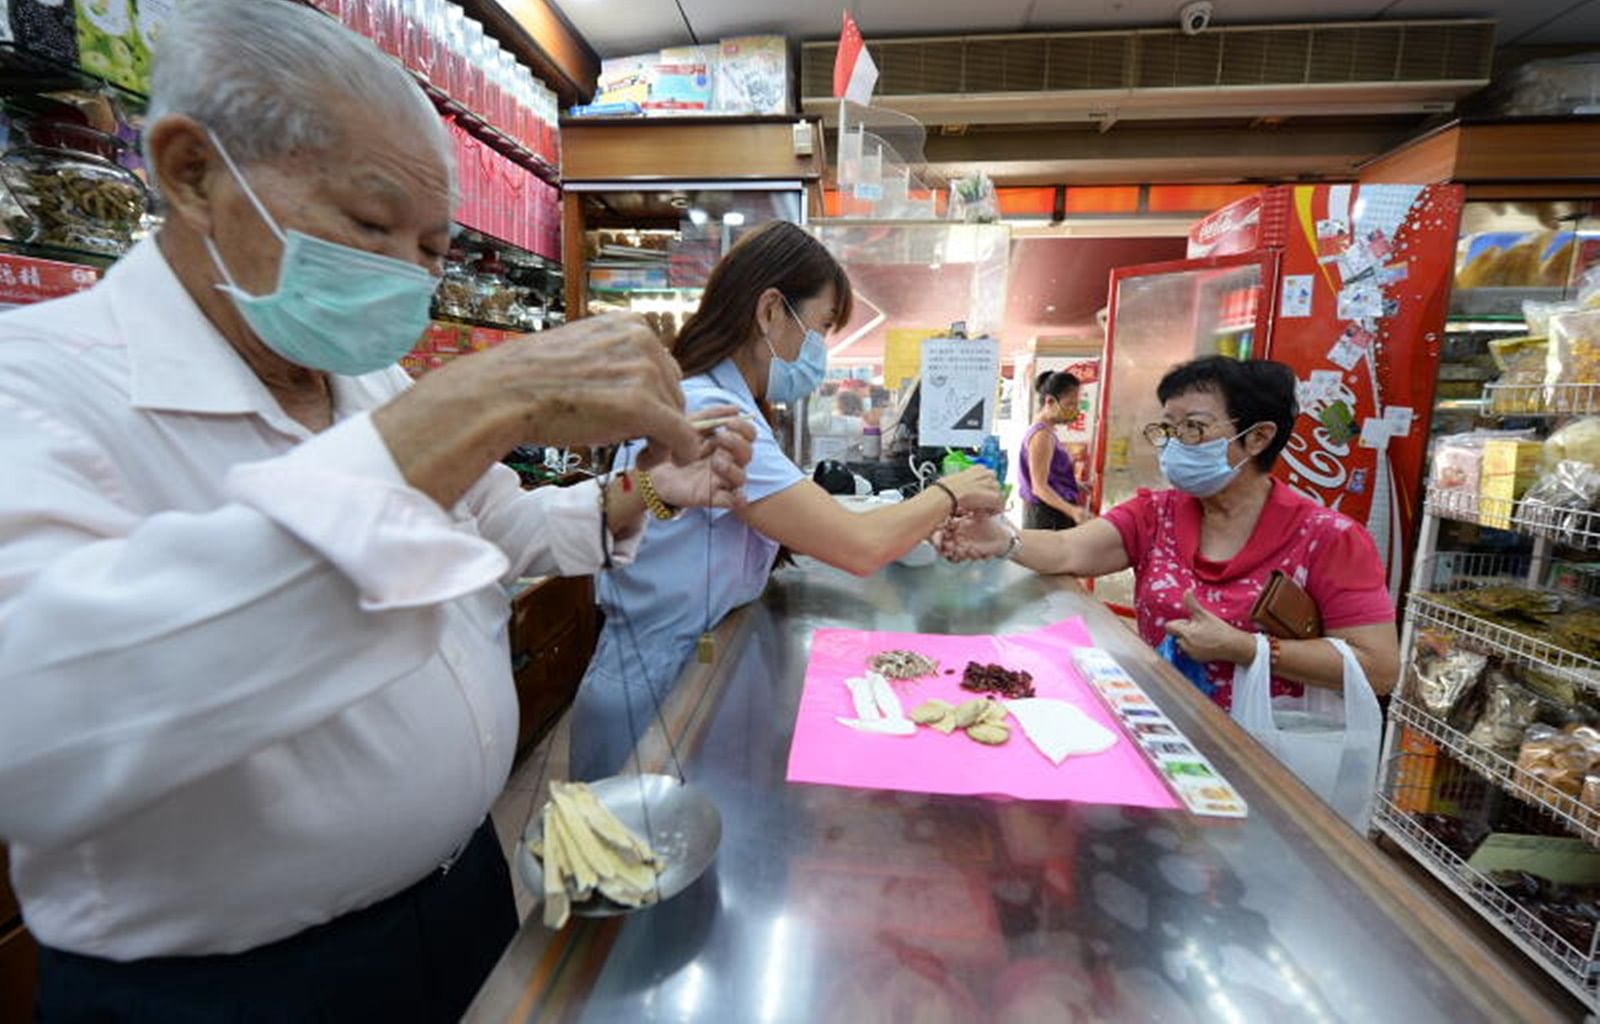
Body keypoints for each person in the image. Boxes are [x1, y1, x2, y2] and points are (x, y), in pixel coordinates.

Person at [0, 4, 754, 1020]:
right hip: (237, 982)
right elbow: (40, 732)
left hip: (465, 892)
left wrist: (647, 490)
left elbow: (500, 528)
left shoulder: (363, 380)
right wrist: (478, 402)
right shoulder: (39, 388)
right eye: (368, 224)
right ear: (191, 171)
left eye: (433, 247)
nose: (403, 273)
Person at [571, 221, 1002, 780]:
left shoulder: (726, 401)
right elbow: (857, 546)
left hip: (668, 667)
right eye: (820, 326)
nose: (818, 350)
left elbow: (813, 519)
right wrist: (951, 492)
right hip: (653, 686)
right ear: (771, 311)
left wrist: (912, 518)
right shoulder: (714, 412)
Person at [938, 356, 1399, 710]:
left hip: (1270, 753)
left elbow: (1379, 668)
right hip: (1164, 726)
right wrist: (1004, 539)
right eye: (1169, 428)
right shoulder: (1156, 513)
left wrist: (1248, 649)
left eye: (1194, 428)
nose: (1176, 443)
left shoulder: (1328, 537)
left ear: (1257, 438)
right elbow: (1066, 549)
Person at [1019, 370, 1089, 530]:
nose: (1075, 410)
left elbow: (1047, 474)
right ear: (1050, 401)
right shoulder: (1041, 435)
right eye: (1070, 404)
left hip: (1050, 512)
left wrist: (1073, 483)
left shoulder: (1047, 431)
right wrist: (1073, 511)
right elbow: (1039, 487)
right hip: (1047, 516)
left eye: (1077, 404)